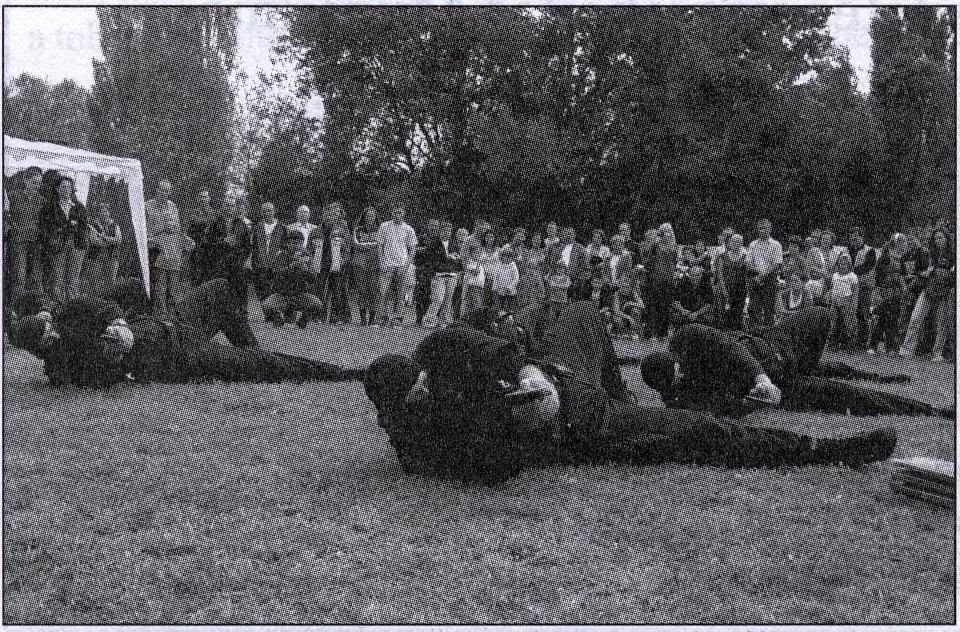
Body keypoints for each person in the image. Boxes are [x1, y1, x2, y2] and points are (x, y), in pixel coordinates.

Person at [364, 302, 900, 486]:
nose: (427, 389)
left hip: (560, 379)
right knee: (700, 435)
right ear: (401, 411)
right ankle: (827, 451)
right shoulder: (418, 446)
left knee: (576, 311)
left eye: (422, 380)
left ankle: (618, 394)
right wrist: (504, 427)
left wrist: (526, 371)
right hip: (579, 430)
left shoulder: (441, 347)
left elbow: (498, 351)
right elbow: (497, 471)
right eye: (418, 396)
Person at [640, 307, 949, 420]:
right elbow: (726, 410)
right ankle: (931, 410)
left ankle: (880, 375)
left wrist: (760, 378)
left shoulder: (688, 336)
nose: (682, 378)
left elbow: (730, 346)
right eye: (676, 381)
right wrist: (757, 401)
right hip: (782, 383)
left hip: (772, 350)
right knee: (843, 394)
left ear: (676, 359)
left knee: (821, 318)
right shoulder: (679, 396)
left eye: (680, 372)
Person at [11, 291, 362, 389]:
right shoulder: (63, 367)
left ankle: (250, 350)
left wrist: (119, 323)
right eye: (46, 339)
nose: (52, 332)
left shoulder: (70, 310)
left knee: (221, 290)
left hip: (165, 325)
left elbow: (108, 304)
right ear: (39, 349)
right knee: (262, 367)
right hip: (176, 357)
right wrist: (116, 357)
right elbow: (100, 378)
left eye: (48, 325)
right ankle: (347, 373)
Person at [899, 229, 955, 361]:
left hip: (945, 291)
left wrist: (938, 272)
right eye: (936, 238)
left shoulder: (953, 254)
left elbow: (952, 275)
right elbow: (922, 271)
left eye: (940, 238)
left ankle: (937, 353)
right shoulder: (930, 254)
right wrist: (926, 273)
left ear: (947, 239)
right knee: (916, 317)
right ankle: (906, 350)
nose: (938, 241)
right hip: (928, 289)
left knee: (941, 323)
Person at [40, 175, 89, 304]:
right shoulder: (50, 207)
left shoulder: (79, 207)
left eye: (69, 187)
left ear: (72, 189)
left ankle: (72, 309)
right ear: (57, 189)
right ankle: (58, 307)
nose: (66, 190)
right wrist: (53, 237)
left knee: (73, 278)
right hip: (58, 245)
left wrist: (74, 227)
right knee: (58, 276)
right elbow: (45, 226)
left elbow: (84, 226)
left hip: (76, 244)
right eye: (63, 187)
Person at [144, 179, 188, 317]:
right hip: (152, 249)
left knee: (171, 284)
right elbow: (142, 229)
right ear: (156, 190)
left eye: (167, 191)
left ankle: (169, 313)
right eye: (162, 189)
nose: (164, 193)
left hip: (169, 250)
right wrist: (160, 231)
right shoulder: (147, 206)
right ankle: (152, 312)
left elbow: (177, 228)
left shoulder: (173, 206)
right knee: (153, 282)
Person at [263, 234, 325, 328]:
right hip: (281, 295)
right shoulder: (281, 256)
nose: (296, 246)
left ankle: (302, 321)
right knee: (266, 305)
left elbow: (313, 279)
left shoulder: (307, 257)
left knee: (317, 304)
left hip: (299, 295)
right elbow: (276, 274)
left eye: (299, 244)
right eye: (294, 243)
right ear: (288, 244)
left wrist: (305, 269)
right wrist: (292, 266)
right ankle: (278, 319)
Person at [7, 166, 46, 303]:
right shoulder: (13, 196)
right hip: (19, 241)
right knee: (19, 275)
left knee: (36, 276)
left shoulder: (42, 200)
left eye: (39, 184)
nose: (36, 186)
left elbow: (44, 222)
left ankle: (35, 306)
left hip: (36, 242)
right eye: (34, 183)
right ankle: (16, 307)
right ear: (25, 180)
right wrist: (12, 226)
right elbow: (6, 216)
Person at [375, 204, 417, 327]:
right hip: (387, 265)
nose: (397, 215)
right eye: (395, 212)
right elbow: (379, 245)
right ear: (391, 213)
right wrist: (381, 261)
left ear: (403, 214)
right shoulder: (384, 226)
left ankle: (397, 319)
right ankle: (381, 319)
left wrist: (407, 265)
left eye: (400, 212)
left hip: (402, 265)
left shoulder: (409, 229)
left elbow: (413, 249)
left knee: (401, 294)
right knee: (382, 292)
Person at [868, 233, 909, 355]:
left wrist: (903, 287)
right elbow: (878, 275)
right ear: (896, 243)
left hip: (896, 294)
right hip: (884, 292)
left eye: (904, 242)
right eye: (902, 242)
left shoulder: (901, 258)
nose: (904, 244)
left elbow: (903, 274)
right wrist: (879, 292)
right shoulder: (885, 256)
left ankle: (890, 347)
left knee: (893, 320)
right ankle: (873, 346)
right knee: (882, 319)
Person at [422, 220, 460, 328]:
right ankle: (428, 320)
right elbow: (430, 259)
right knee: (437, 299)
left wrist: (453, 259)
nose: (446, 233)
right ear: (440, 231)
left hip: (452, 275)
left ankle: (443, 321)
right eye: (444, 230)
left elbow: (458, 259)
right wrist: (446, 258)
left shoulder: (454, 244)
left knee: (448, 300)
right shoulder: (434, 243)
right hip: (438, 275)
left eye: (449, 231)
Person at [745, 218, 783, 328]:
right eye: (761, 228)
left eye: (765, 228)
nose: (763, 230)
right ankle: (754, 332)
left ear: (770, 229)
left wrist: (763, 275)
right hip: (755, 278)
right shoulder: (753, 244)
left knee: (768, 308)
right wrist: (758, 275)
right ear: (758, 230)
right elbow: (748, 262)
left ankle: (768, 334)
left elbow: (777, 264)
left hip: (770, 279)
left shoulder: (776, 245)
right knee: (753, 307)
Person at [645, 222, 679, 339]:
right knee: (653, 306)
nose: (667, 234)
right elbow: (649, 261)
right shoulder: (655, 245)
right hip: (656, 279)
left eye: (669, 231)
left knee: (665, 307)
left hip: (668, 280)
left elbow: (675, 263)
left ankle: (662, 333)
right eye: (664, 231)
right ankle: (651, 333)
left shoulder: (675, 247)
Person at [250, 201, 288, 303]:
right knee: (261, 294)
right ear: (261, 213)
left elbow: (285, 248)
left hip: (276, 267)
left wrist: (280, 263)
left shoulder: (282, 228)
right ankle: (267, 316)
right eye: (264, 211)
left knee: (274, 294)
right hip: (260, 267)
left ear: (274, 211)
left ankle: (272, 315)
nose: (267, 213)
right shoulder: (257, 227)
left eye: (269, 210)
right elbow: (254, 247)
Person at [848, 227, 877, 350]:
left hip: (864, 286)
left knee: (862, 312)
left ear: (862, 237)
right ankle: (850, 339)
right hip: (849, 285)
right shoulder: (847, 250)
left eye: (856, 237)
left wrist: (850, 272)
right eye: (852, 238)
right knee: (849, 312)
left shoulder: (870, 251)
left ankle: (862, 342)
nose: (854, 240)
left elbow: (867, 266)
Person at [352, 207, 381, 326]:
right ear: (364, 216)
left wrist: (366, 246)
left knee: (374, 290)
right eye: (368, 215)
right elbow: (355, 244)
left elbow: (381, 244)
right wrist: (371, 246)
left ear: (375, 217)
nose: (370, 218)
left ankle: (372, 318)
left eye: (372, 216)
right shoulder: (357, 229)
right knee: (362, 290)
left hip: (375, 264)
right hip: (360, 264)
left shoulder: (380, 229)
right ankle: (363, 318)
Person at [86, 202, 123, 297]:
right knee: (95, 281)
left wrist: (105, 238)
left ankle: (109, 300)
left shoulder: (114, 225)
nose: (104, 214)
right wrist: (109, 241)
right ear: (98, 213)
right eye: (102, 212)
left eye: (106, 212)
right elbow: (93, 240)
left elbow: (118, 240)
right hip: (96, 257)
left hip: (112, 257)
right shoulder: (93, 225)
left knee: (110, 281)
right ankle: (95, 300)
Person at [713, 233, 749, 330]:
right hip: (723, 288)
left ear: (742, 243)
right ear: (730, 242)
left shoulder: (745, 257)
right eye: (733, 241)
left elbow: (747, 275)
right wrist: (724, 292)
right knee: (722, 315)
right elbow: (719, 275)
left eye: (738, 242)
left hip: (739, 291)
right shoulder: (722, 256)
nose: (735, 243)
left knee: (736, 316)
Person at [546, 227, 591, 297]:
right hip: (555, 280)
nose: (568, 236)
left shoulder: (580, 248)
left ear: (574, 235)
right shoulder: (555, 247)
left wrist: (578, 280)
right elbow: (549, 263)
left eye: (570, 234)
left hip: (572, 281)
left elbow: (586, 267)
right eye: (566, 234)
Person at [828, 253, 859, 350]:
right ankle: (833, 342)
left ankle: (850, 344)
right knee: (834, 322)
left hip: (847, 301)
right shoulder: (835, 275)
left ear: (849, 265)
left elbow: (855, 292)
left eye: (845, 264)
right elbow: (832, 288)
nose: (842, 265)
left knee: (849, 323)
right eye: (841, 263)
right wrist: (830, 297)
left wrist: (853, 304)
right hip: (835, 301)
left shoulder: (852, 276)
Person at [187, 188, 217, 286]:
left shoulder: (213, 213)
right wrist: (207, 222)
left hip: (210, 249)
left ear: (209, 199)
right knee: (196, 277)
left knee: (208, 276)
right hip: (196, 248)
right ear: (197, 199)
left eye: (205, 197)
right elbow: (195, 222)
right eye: (201, 197)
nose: (203, 199)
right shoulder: (193, 212)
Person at [516, 231, 547, 310]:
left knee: (536, 303)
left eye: (538, 239)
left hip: (538, 280)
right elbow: (523, 267)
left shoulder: (543, 252)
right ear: (532, 240)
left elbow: (544, 268)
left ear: (541, 241)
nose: (537, 241)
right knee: (525, 303)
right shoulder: (526, 252)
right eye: (535, 239)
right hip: (527, 279)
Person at [488, 246, 520, 311]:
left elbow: (516, 278)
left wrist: (509, 287)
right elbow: (496, 278)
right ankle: (500, 317)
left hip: (510, 291)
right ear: (502, 257)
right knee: (499, 308)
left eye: (508, 257)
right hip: (499, 291)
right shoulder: (498, 266)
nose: (506, 258)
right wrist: (495, 288)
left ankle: (509, 317)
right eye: (504, 256)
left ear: (511, 258)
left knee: (509, 308)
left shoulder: (513, 266)